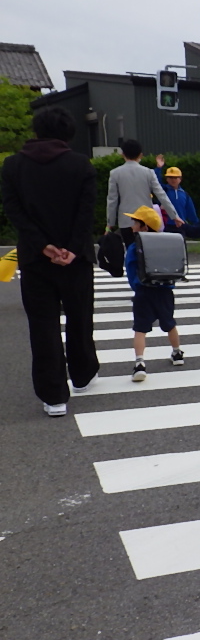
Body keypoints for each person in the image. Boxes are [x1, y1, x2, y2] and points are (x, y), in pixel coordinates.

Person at [0, 106, 101, 417]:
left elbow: (14, 211)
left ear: (36, 130)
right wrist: (70, 248)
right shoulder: (80, 165)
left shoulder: (13, 166)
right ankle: (82, 375)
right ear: (68, 133)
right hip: (76, 258)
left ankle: (54, 395)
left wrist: (44, 246)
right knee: (79, 316)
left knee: (42, 325)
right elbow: (87, 211)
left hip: (35, 259)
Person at [123, 206, 185, 382]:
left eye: (135, 222)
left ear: (144, 227)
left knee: (140, 328)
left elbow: (131, 270)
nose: (132, 225)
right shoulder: (166, 244)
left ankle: (139, 363)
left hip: (144, 291)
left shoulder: (136, 247)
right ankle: (177, 353)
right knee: (169, 323)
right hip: (165, 290)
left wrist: (137, 287)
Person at [106, 139, 182, 246]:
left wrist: (109, 224)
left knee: (131, 251)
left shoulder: (115, 173)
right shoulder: (149, 173)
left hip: (126, 220)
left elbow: (112, 200)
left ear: (123, 154)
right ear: (141, 155)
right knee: (147, 253)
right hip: (147, 220)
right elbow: (161, 195)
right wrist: (174, 216)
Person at [154, 155, 200, 281]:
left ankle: (180, 272)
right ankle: (165, 272)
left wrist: (195, 224)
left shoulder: (184, 194)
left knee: (180, 251)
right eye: (170, 177)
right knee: (165, 251)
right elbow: (155, 182)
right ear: (167, 179)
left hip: (180, 225)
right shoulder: (163, 190)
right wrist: (158, 168)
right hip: (166, 224)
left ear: (180, 179)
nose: (173, 180)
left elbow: (190, 211)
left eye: (176, 178)